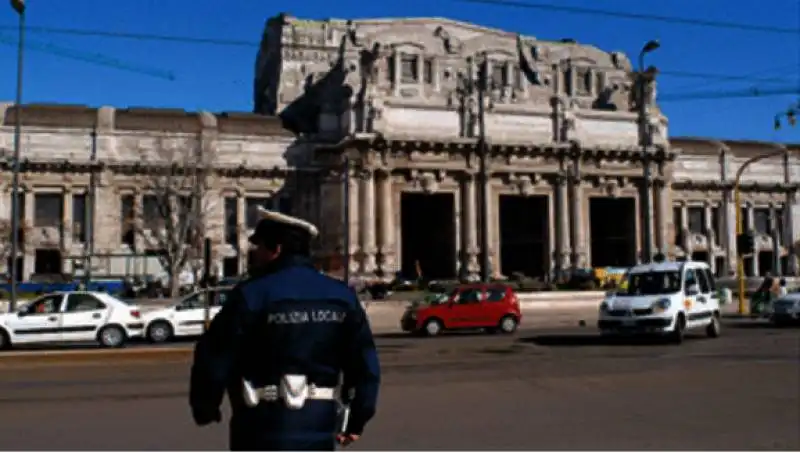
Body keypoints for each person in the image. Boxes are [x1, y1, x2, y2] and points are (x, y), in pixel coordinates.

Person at [189, 207, 381, 451]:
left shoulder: (251, 294)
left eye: (259, 247)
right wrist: (357, 419)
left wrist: (206, 406)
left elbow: (215, 355)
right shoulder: (342, 297)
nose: (254, 253)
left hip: (261, 427)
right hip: (320, 427)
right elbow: (365, 366)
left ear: (276, 249)